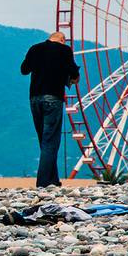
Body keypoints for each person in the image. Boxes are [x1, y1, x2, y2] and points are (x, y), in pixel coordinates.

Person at [20, 31, 79, 187]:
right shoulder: (64, 50)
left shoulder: (34, 48)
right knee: (50, 141)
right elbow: (74, 73)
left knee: (44, 140)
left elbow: (24, 70)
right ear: (62, 40)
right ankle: (43, 182)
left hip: (34, 98)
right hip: (53, 97)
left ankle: (53, 180)